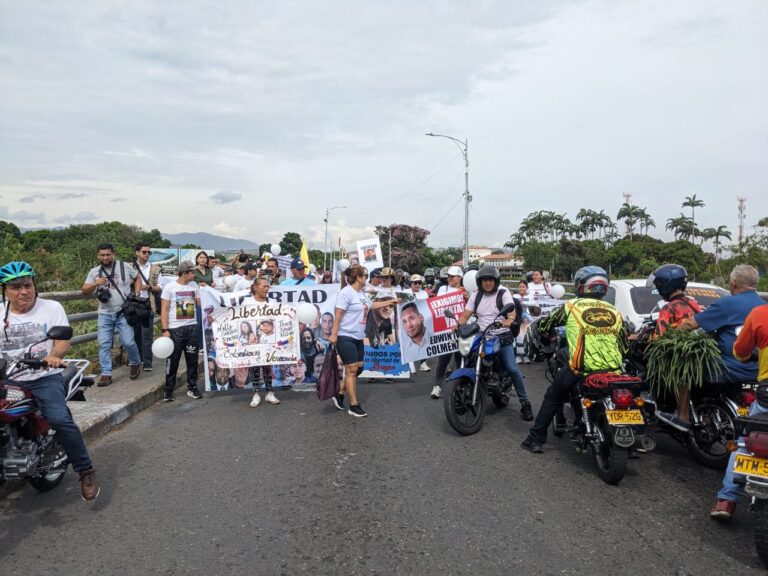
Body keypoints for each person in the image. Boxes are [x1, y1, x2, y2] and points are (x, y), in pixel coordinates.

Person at [0, 261, 101, 501]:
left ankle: (85, 470)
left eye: (27, 285)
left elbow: (63, 341)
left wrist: (53, 357)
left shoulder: (51, 307)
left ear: (34, 284)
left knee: (59, 418)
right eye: (15, 287)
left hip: (43, 377)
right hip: (8, 377)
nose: (23, 291)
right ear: (5, 290)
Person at [521, 266, 625, 453]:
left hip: (581, 368)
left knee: (553, 396)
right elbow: (624, 345)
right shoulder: (614, 311)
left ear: (580, 286)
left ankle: (535, 438)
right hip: (614, 369)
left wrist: (544, 338)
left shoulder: (571, 306)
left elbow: (545, 325)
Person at [710, 302, 768, 520]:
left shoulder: (761, 313)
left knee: (745, 441)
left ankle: (726, 500)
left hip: (766, 394)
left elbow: (740, 352)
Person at [455, 266, 533, 421]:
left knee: (512, 368)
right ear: (480, 282)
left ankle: (525, 404)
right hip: (482, 336)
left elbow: (511, 311)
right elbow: (466, 314)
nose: (488, 283)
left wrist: (509, 320)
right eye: (485, 280)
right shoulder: (476, 296)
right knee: (467, 357)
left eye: (491, 280)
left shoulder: (503, 294)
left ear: (496, 281)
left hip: (501, 337)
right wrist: (458, 324)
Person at [329, 264, 399, 417]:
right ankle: (354, 405)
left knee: (359, 368)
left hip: (359, 336)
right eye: (365, 276)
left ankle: (340, 392)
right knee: (352, 370)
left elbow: (372, 305)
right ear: (359, 277)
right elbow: (338, 314)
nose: (367, 279)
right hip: (345, 335)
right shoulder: (345, 293)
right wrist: (334, 334)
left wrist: (390, 302)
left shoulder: (361, 293)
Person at [679, 264, 763, 384]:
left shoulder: (727, 303)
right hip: (760, 372)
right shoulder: (764, 306)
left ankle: (686, 403)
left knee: (684, 369)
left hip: (730, 371)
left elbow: (690, 325)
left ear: (734, 283)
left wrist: (671, 333)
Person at [646, 264, 702, 431]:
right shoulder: (692, 303)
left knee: (650, 370)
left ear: (666, 284)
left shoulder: (668, 308)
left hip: (680, 355)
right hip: (695, 350)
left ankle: (678, 415)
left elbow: (658, 338)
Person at [82, 242, 142, 386]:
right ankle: (106, 374)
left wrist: (137, 292)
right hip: (104, 313)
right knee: (103, 344)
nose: (105, 257)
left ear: (113, 254)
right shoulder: (94, 272)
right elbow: (84, 290)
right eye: (102, 255)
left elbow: (137, 278)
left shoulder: (124, 266)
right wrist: (96, 284)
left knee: (128, 341)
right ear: (98, 256)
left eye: (108, 254)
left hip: (123, 311)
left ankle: (135, 362)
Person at [160, 261, 203, 402]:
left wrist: (205, 291)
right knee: (173, 361)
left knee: (192, 360)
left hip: (192, 327)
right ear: (185, 273)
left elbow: (200, 303)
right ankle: (168, 389)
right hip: (175, 329)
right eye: (192, 272)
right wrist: (165, 329)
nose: (194, 275)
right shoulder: (170, 287)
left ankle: (192, 387)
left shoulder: (194, 285)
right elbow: (164, 309)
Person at [429, 266, 467, 398]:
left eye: (453, 276)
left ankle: (457, 387)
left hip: (461, 329)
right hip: (445, 330)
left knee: (459, 358)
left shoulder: (466, 291)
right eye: (449, 276)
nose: (450, 278)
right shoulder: (443, 289)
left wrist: (466, 296)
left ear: (460, 277)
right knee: (443, 359)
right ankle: (437, 386)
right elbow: (438, 307)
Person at [244, 278, 280, 406]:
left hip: (268, 341)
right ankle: (256, 394)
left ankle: (269, 393)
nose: (267, 288)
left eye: (268, 286)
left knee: (267, 366)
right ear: (255, 288)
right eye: (264, 286)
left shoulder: (273, 302)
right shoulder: (247, 302)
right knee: (254, 367)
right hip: (254, 342)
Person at [133, 242, 163, 372]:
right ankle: (136, 360)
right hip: (134, 304)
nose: (146, 254)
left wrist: (149, 287)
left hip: (148, 303)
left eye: (148, 252)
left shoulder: (155, 268)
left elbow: (160, 286)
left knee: (147, 335)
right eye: (144, 252)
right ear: (137, 253)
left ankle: (147, 361)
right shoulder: (129, 267)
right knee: (135, 334)